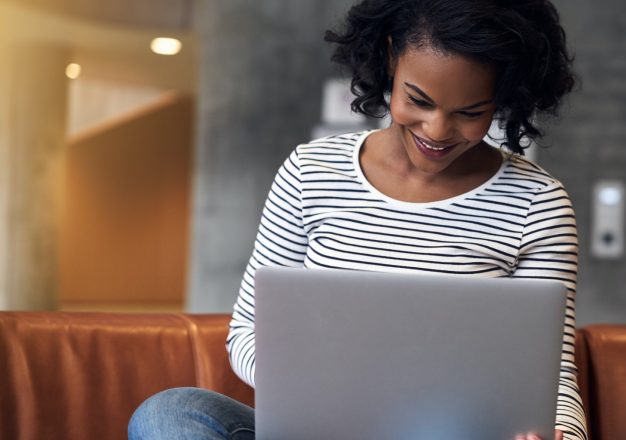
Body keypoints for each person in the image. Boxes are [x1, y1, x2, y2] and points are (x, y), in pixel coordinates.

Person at [129, 0, 584, 439]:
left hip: (450, 435)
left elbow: (553, 374)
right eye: (418, 100)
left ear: (504, 96)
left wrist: (561, 435)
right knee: (171, 414)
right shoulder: (312, 171)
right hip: (317, 430)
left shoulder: (536, 203)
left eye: (470, 113)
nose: (437, 131)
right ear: (390, 58)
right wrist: (319, 391)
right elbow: (247, 332)